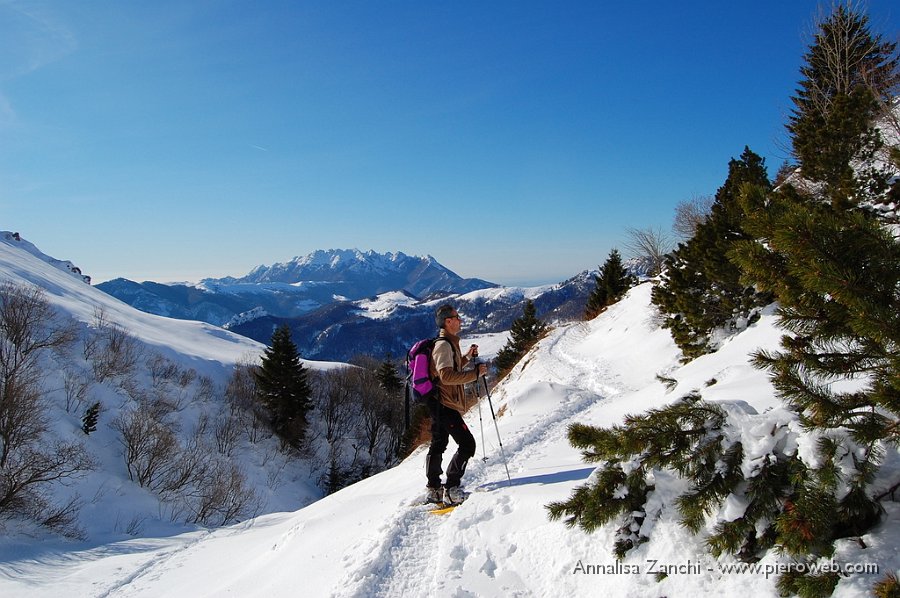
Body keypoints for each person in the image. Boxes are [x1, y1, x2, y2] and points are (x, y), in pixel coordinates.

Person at [425, 304, 488, 505]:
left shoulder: (448, 343)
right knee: (467, 444)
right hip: (445, 403)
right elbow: (446, 376)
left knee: (438, 444)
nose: (460, 320)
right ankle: (451, 489)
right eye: (456, 317)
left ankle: (434, 489)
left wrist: (467, 357)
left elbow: (451, 366)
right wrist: (475, 374)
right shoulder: (443, 345)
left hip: (437, 402)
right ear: (448, 321)